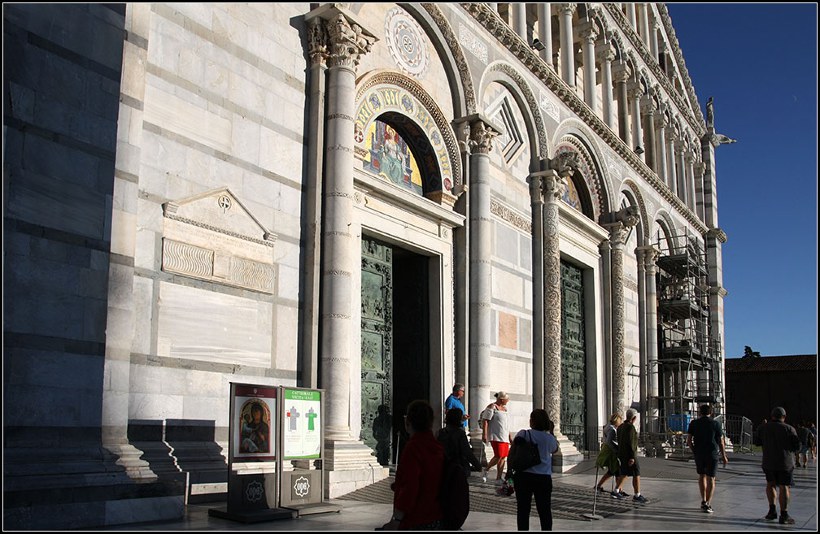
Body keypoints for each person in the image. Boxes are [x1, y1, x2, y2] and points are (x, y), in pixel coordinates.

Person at [380, 400, 444, 530]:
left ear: (407, 421)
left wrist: (396, 520)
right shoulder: (437, 447)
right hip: (435, 516)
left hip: (415, 519)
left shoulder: (413, 448)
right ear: (431, 422)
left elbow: (410, 487)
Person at [513, 409, 559, 531]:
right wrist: (551, 432)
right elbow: (555, 450)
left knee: (523, 509)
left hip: (524, 476)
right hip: (543, 477)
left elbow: (513, 451)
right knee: (544, 510)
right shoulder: (549, 438)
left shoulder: (523, 434)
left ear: (532, 421)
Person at [754, 406, 800, 525]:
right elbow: (797, 447)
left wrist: (761, 428)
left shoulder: (763, 428)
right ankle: (784, 515)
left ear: (772, 416)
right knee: (784, 487)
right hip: (785, 463)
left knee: (770, 484)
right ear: (784, 417)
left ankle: (772, 510)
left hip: (768, 462)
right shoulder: (789, 429)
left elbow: (757, 442)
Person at [687, 404, 729, 513]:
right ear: (711, 413)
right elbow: (721, 441)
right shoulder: (715, 424)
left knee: (702, 476)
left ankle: (703, 500)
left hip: (699, 453)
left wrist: (694, 451)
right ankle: (708, 503)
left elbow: (689, 441)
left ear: (699, 412)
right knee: (711, 478)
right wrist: (724, 455)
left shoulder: (694, 423)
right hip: (712, 453)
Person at [612, 409, 648, 503]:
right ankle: (637, 494)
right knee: (636, 473)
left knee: (624, 473)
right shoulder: (630, 427)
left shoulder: (620, 427)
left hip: (622, 454)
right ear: (634, 418)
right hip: (630, 454)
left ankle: (616, 490)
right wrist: (632, 457)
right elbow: (632, 443)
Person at [438, 408, 483, 477]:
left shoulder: (440, 432)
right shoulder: (459, 433)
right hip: (458, 466)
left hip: (444, 466)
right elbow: (467, 452)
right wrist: (477, 465)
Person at [481, 391, 512, 482]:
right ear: (502, 399)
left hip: (504, 436)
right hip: (496, 436)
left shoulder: (505, 409)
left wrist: (510, 437)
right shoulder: (492, 407)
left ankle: (499, 477)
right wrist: (484, 434)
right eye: (507, 399)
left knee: (503, 457)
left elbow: (507, 425)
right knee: (498, 455)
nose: (508, 401)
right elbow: (485, 421)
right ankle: (486, 469)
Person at [595, 413, 622, 494]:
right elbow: (610, 442)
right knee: (617, 471)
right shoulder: (612, 429)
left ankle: (599, 486)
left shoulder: (608, 427)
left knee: (612, 471)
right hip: (611, 452)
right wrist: (617, 449)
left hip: (608, 451)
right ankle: (618, 490)